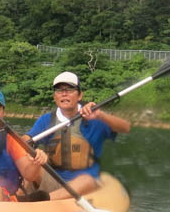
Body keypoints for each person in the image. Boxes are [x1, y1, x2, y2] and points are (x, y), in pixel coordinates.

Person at [23, 71, 130, 200]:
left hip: (82, 186)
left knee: (87, 179)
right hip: (52, 180)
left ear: (80, 95)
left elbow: (126, 128)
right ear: (55, 96)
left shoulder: (93, 117)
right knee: (29, 166)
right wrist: (30, 151)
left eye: (69, 89)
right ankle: (18, 198)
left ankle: (44, 199)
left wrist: (101, 115)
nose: (64, 93)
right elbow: (26, 139)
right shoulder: (46, 120)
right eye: (59, 90)